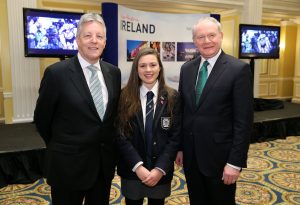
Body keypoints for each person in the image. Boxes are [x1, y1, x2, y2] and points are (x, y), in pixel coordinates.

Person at [34, 13, 121, 205]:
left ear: (105, 42)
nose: (94, 41)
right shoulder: (57, 74)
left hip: (102, 167)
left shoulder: (113, 72)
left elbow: (110, 119)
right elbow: (42, 119)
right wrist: (63, 146)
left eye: (99, 36)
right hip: (68, 167)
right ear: (77, 40)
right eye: (88, 35)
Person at [175, 16, 253, 205]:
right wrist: (180, 147)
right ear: (194, 41)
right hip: (192, 158)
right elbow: (183, 112)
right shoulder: (187, 69)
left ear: (221, 36)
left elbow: (243, 122)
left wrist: (235, 163)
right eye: (201, 37)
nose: (207, 41)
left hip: (221, 160)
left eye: (211, 35)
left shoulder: (238, 69)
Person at [117, 47, 181, 205]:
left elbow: (175, 137)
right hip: (132, 170)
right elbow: (120, 135)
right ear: (136, 69)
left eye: (153, 65)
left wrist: (160, 169)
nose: (148, 70)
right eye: (142, 65)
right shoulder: (124, 96)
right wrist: (138, 166)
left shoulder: (173, 97)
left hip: (161, 171)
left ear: (160, 67)